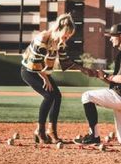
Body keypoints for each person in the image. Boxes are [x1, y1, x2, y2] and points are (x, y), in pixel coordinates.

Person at [21, 13, 96, 144]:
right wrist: (46, 79)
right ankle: (40, 130)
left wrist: (82, 68)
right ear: (59, 29)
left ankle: (51, 131)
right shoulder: (43, 37)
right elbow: (35, 63)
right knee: (49, 96)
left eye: (68, 37)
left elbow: (65, 60)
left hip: (42, 72)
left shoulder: (59, 43)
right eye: (66, 35)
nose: (66, 39)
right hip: (29, 71)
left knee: (57, 96)